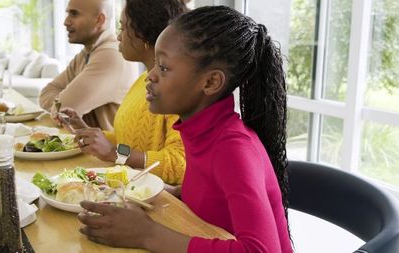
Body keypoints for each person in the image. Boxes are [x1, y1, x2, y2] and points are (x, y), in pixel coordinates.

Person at [77, 5, 293, 253]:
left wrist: (148, 234)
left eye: (164, 67)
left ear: (211, 82)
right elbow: (212, 199)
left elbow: (262, 251)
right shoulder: (199, 129)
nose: (151, 76)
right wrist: (168, 193)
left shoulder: (233, 148)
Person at [58, 0, 188, 184]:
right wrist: (86, 131)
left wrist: (114, 153)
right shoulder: (141, 82)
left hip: (155, 199)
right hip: (127, 187)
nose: (118, 37)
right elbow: (126, 140)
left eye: (123, 28)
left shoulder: (176, 91)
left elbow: (179, 164)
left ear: (143, 35)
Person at [39, 0, 137, 131]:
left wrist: (61, 103)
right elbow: (47, 93)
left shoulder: (110, 54)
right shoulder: (88, 52)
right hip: (87, 146)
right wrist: (61, 104)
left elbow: (62, 109)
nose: (66, 22)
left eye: (74, 14)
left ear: (99, 19)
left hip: (110, 149)